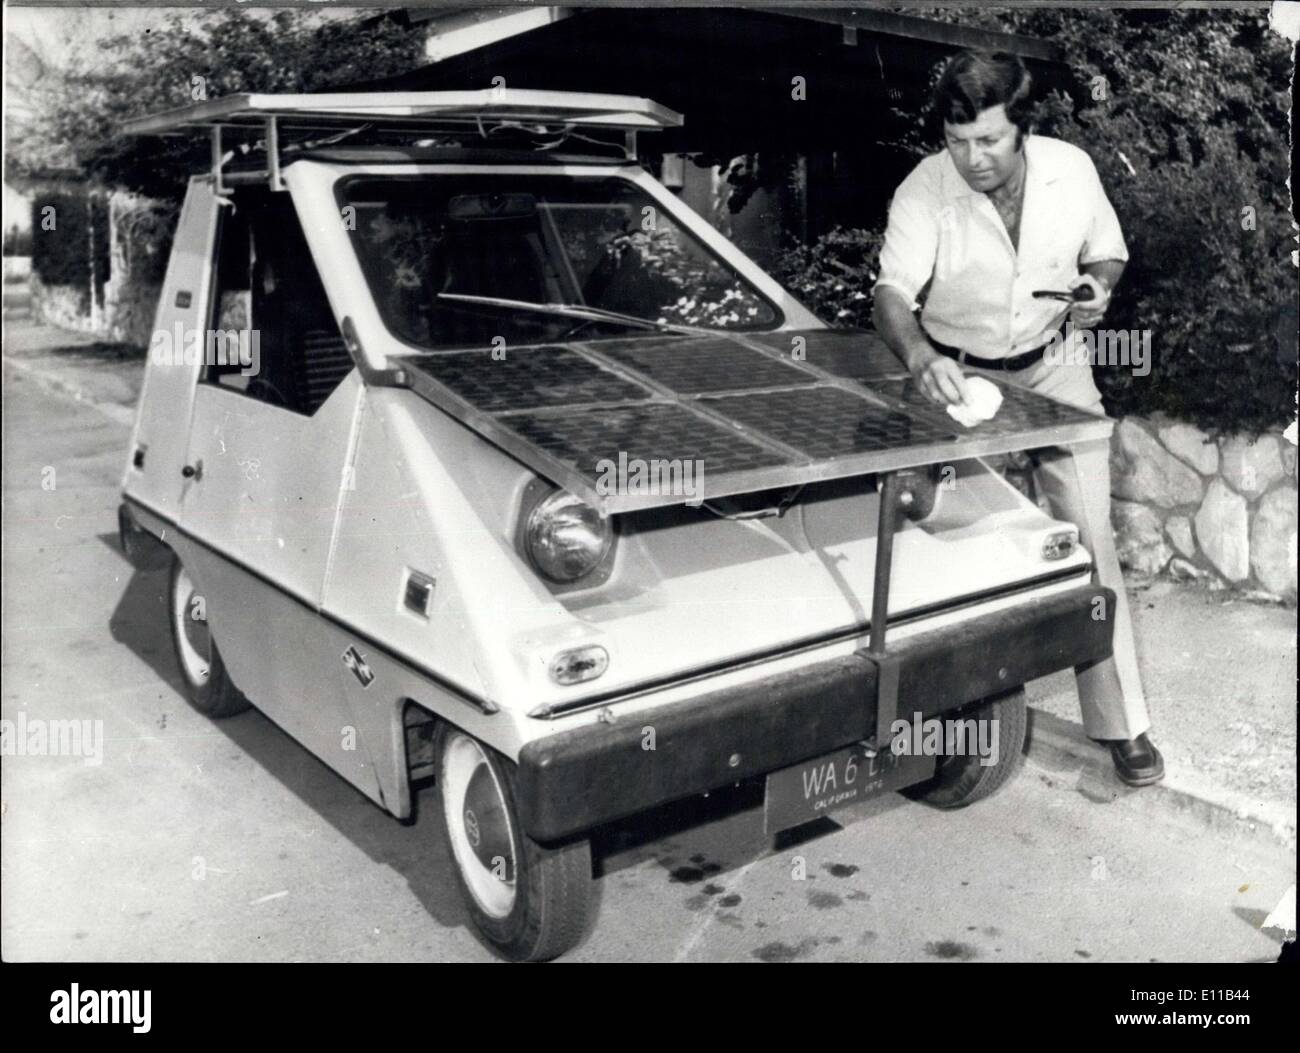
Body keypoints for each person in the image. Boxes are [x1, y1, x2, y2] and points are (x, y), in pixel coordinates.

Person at [871, 49, 1164, 787]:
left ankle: (1123, 726)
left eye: (990, 142)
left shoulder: (1073, 169)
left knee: (1092, 543)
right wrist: (918, 360)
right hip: (959, 378)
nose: (971, 158)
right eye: (957, 141)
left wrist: (1098, 288)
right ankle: (950, 722)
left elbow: (1108, 255)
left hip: (1056, 362)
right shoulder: (921, 191)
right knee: (954, 550)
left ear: (1022, 131)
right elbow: (891, 295)